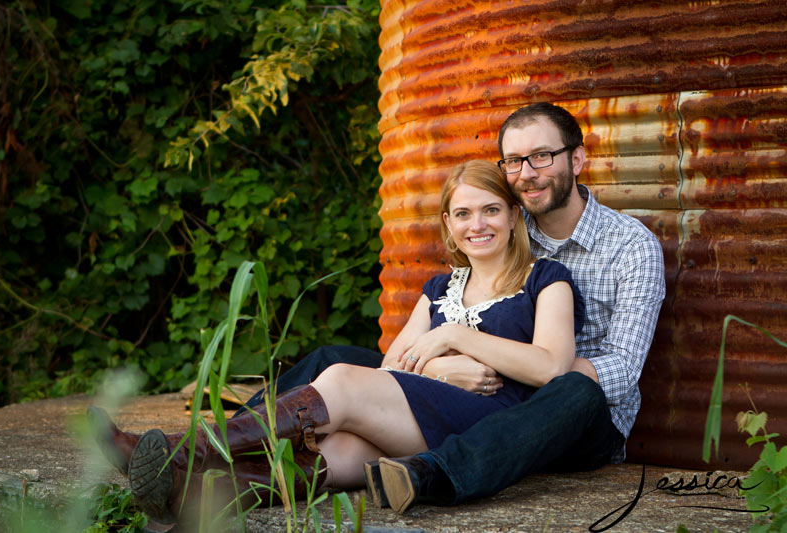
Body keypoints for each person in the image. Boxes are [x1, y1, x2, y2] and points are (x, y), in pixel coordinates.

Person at [89, 159, 586, 527]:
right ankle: (193, 494)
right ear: (449, 226)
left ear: (515, 217)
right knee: (344, 450)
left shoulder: (546, 278)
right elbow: (394, 364)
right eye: (463, 214)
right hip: (430, 411)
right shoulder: (441, 288)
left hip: (494, 424)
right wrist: (437, 368)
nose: (477, 225)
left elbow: (550, 369)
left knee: (344, 380)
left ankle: (183, 450)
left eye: (491, 210)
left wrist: (452, 336)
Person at [230, 102, 666, 513]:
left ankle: (432, 472)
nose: (526, 173)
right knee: (332, 359)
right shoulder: (501, 223)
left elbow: (623, 370)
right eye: (513, 161)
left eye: (542, 156)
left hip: (573, 416)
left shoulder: (630, 247)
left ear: (576, 160)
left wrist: (509, 363)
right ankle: (221, 445)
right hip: (482, 395)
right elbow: (451, 310)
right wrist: (439, 370)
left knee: (573, 390)